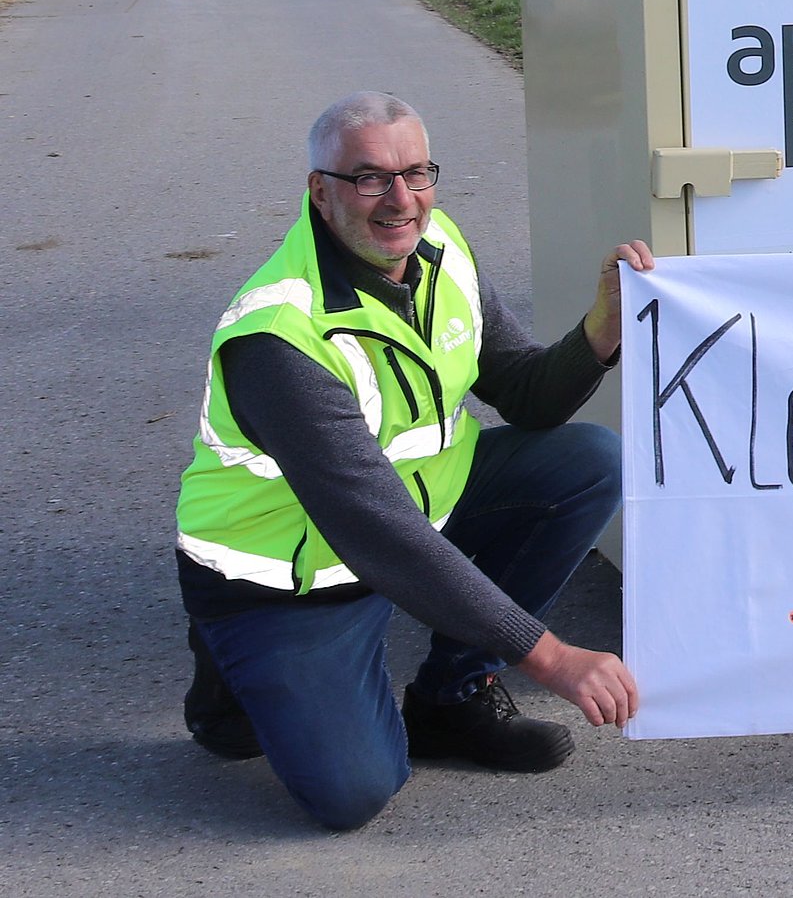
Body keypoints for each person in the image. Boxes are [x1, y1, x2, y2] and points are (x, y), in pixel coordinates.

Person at [176, 90, 653, 829]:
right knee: (354, 793)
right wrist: (552, 657)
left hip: (415, 520)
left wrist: (602, 329)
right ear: (319, 190)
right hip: (289, 580)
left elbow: (525, 396)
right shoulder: (280, 337)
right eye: (369, 177)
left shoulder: (439, 249)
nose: (401, 199)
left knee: (586, 461)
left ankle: (452, 700)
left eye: (417, 172)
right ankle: (229, 687)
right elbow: (382, 536)